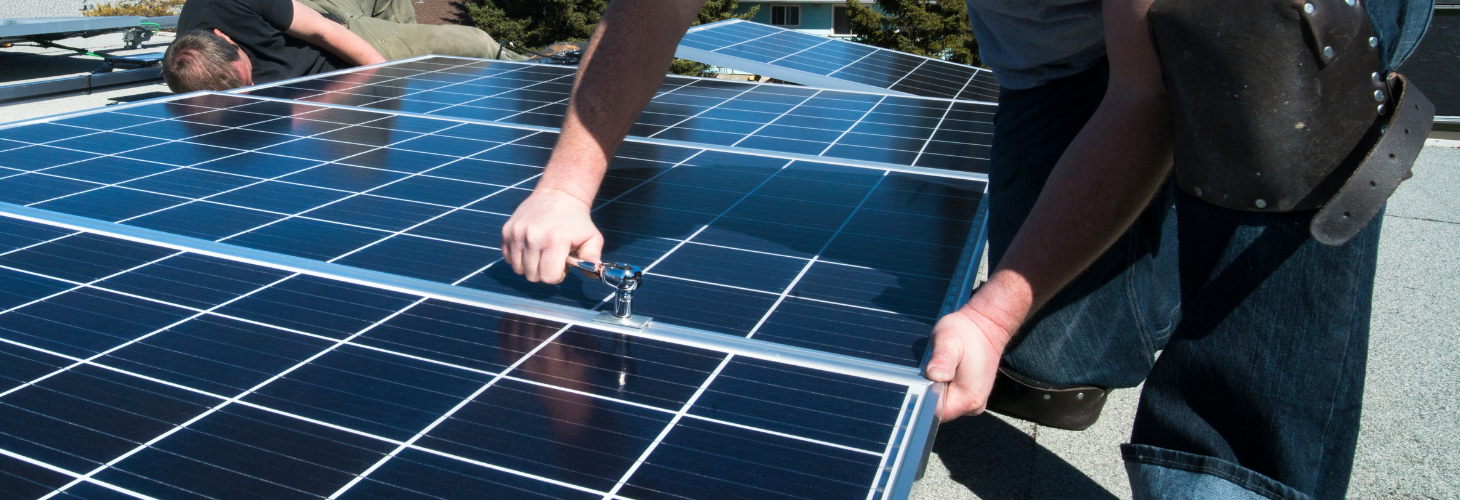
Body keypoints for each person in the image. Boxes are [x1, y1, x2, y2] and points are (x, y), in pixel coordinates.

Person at [497, 0, 1435, 498]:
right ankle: (1173, 215)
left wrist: (990, 312)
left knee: (1259, 53)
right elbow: (653, 6)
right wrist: (567, 187)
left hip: (1273, 20)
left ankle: (1232, 475)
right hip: (1061, 54)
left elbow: (1142, 96)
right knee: (1055, 351)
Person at [162, 0, 527, 93]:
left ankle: (400, 39)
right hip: (333, 80)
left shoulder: (230, 3)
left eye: (248, 76)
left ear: (225, 38)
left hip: (336, 33)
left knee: (464, 42)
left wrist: (390, 77)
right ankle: (531, 63)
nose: (254, 87)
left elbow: (323, 31)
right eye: (245, 89)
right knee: (475, 43)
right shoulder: (193, 81)